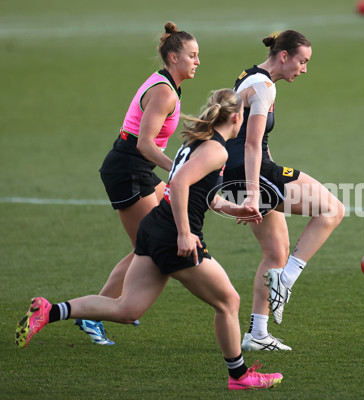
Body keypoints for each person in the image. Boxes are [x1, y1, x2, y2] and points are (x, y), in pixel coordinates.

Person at [16, 89, 283, 391]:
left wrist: (237, 208)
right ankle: (239, 376)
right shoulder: (216, 150)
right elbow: (179, 182)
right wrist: (185, 232)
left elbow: (201, 192)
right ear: (236, 117)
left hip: (154, 227)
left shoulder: (198, 142)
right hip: (173, 235)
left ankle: (49, 311)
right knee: (229, 301)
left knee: (126, 309)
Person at [76, 22, 200, 345]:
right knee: (147, 246)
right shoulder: (162, 91)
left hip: (138, 168)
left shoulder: (170, 87)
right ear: (173, 57)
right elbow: (145, 143)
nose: (197, 61)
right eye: (192, 55)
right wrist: (177, 169)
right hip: (129, 168)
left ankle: (121, 302)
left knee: (164, 228)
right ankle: (95, 314)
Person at [222, 30, 345, 352]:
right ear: (284, 56)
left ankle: (257, 335)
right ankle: (288, 279)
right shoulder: (263, 87)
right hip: (251, 174)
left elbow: (252, 141)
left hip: (239, 174)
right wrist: (251, 194)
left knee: (275, 253)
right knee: (332, 210)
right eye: (302, 61)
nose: (304, 69)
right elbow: (250, 143)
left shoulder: (250, 76)